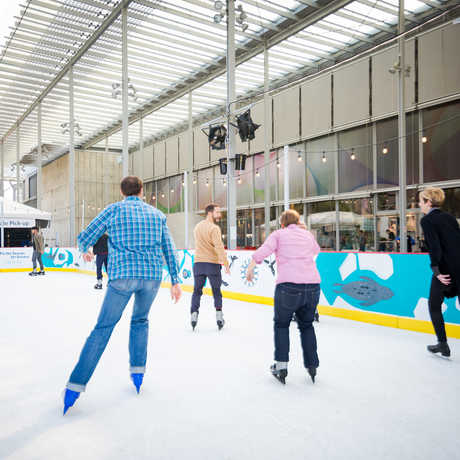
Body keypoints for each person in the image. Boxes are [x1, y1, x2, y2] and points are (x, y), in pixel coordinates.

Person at [63, 176, 182, 414]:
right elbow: (169, 248)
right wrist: (175, 281)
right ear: (141, 191)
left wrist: (84, 249)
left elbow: (87, 234)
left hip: (122, 277)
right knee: (140, 321)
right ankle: (138, 372)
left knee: (104, 327)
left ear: (121, 191)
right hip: (151, 277)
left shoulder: (113, 210)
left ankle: (76, 385)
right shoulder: (156, 215)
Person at [246, 209, 321, 385]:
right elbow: (316, 250)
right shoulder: (307, 235)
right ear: (298, 221)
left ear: (282, 224)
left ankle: (281, 366)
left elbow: (263, 251)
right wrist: (305, 231)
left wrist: (251, 266)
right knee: (307, 325)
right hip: (312, 287)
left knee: (281, 325)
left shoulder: (278, 234)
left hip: (288, 287)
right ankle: (312, 365)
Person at [419, 187, 460, 358]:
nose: (419, 205)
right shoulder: (450, 218)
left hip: (446, 270)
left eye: (421, 201)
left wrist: (436, 270)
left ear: (428, 202)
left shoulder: (427, 220)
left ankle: (442, 344)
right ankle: (442, 344)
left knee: (434, 305)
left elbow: (435, 247)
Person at [191, 203, 230, 330]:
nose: (219, 215)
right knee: (216, 292)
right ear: (210, 213)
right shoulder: (214, 228)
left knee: (197, 291)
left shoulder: (197, 227)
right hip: (212, 264)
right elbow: (219, 247)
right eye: (217, 212)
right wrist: (225, 263)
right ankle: (219, 316)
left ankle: (194, 314)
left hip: (198, 264)